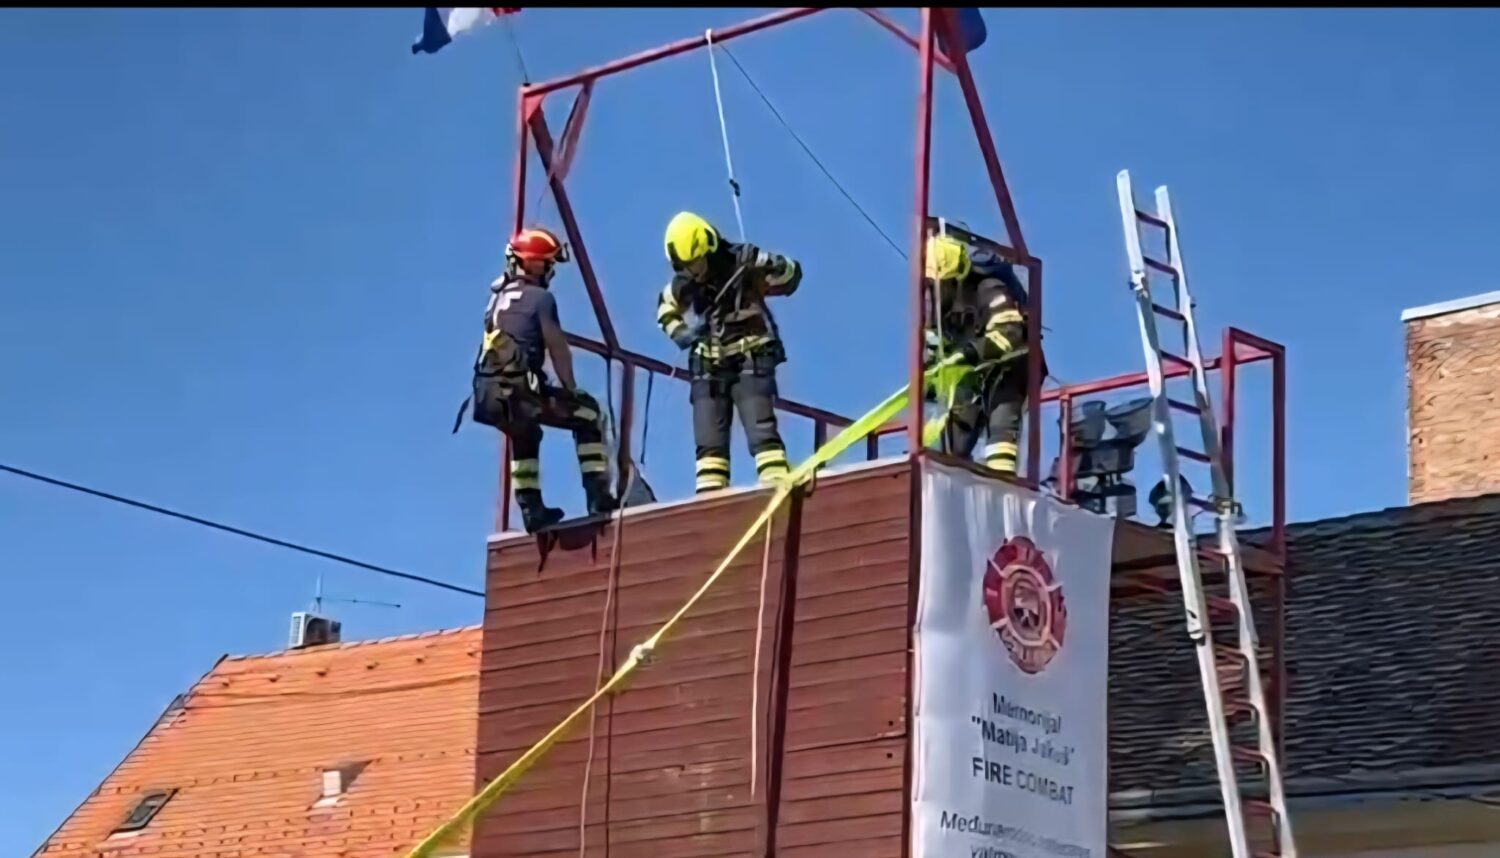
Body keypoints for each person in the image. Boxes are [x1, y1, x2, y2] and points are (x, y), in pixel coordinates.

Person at [468, 226, 616, 532]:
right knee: (588, 414)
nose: (551, 270)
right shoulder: (541, 298)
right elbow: (557, 349)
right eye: (548, 263)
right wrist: (571, 390)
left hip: (488, 395)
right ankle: (599, 499)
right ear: (534, 263)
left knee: (524, 432)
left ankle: (531, 509)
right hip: (518, 391)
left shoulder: (495, 301)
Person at [656, 212, 802, 494]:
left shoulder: (742, 260)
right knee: (708, 440)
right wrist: (683, 334)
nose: (694, 271)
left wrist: (772, 263)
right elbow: (665, 308)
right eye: (686, 266)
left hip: (751, 356)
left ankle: (774, 481)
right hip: (708, 365)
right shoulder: (683, 281)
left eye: (696, 263)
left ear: (708, 249)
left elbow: (791, 277)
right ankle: (710, 494)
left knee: (760, 425)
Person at [923, 231, 1042, 476]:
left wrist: (970, 353)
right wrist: (930, 378)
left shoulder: (989, 288)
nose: (935, 293)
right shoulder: (940, 310)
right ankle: (944, 476)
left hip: (1011, 367)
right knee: (954, 436)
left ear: (954, 278)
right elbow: (937, 351)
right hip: (974, 373)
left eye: (939, 285)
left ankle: (1002, 484)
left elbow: (1009, 333)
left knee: (1001, 426)